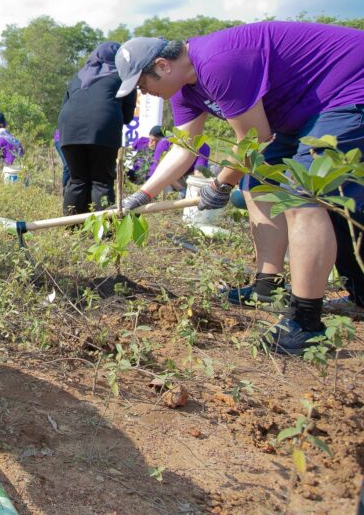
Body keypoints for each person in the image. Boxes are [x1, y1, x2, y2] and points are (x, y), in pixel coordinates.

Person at [116, 23, 364, 355]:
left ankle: (306, 324)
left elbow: (256, 137)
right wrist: (143, 195)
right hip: (303, 114)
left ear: (163, 66)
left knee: (302, 194)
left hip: (346, 91)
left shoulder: (217, 61)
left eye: (143, 84)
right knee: (256, 181)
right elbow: (182, 146)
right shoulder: (184, 89)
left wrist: (220, 184)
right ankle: (266, 284)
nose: (143, 94)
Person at [57, 42, 136, 214]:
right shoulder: (124, 77)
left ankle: (72, 229)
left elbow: (65, 105)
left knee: (77, 179)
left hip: (69, 130)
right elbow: (128, 117)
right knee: (101, 181)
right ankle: (104, 231)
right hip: (103, 129)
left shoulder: (78, 77)